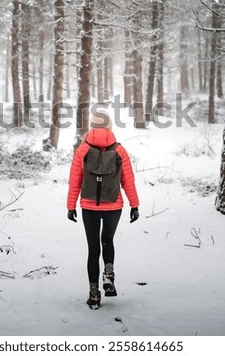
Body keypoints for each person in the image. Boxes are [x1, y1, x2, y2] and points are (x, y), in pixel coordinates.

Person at [67, 108, 140, 309]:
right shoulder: (119, 150)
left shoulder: (82, 150)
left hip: (88, 207)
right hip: (113, 206)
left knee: (93, 248)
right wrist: (134, 205)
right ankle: (108, 274)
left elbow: (75, 181)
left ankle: (94, 294)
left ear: (92, 126)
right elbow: (128, 180)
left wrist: (70, 206)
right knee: (107, 240)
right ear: (109, 126)